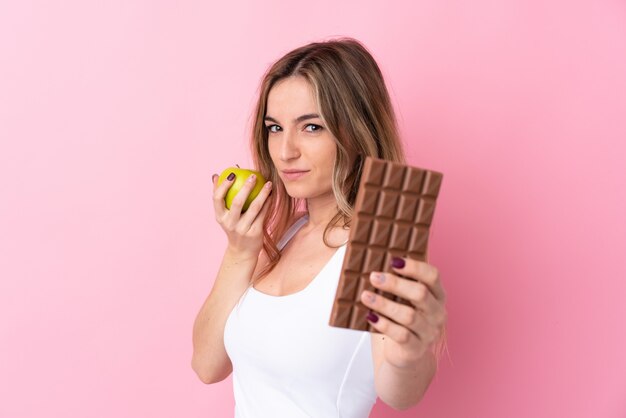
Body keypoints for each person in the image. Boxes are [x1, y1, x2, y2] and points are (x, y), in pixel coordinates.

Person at [192, 37, 447, 417]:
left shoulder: (379, 238)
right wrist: (240, 250)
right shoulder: (286, 233)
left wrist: (410, 354)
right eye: (275, 128)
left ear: (357, 132)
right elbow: (207, 365)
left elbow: (400, 391)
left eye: (311, 127)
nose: (285, 151)